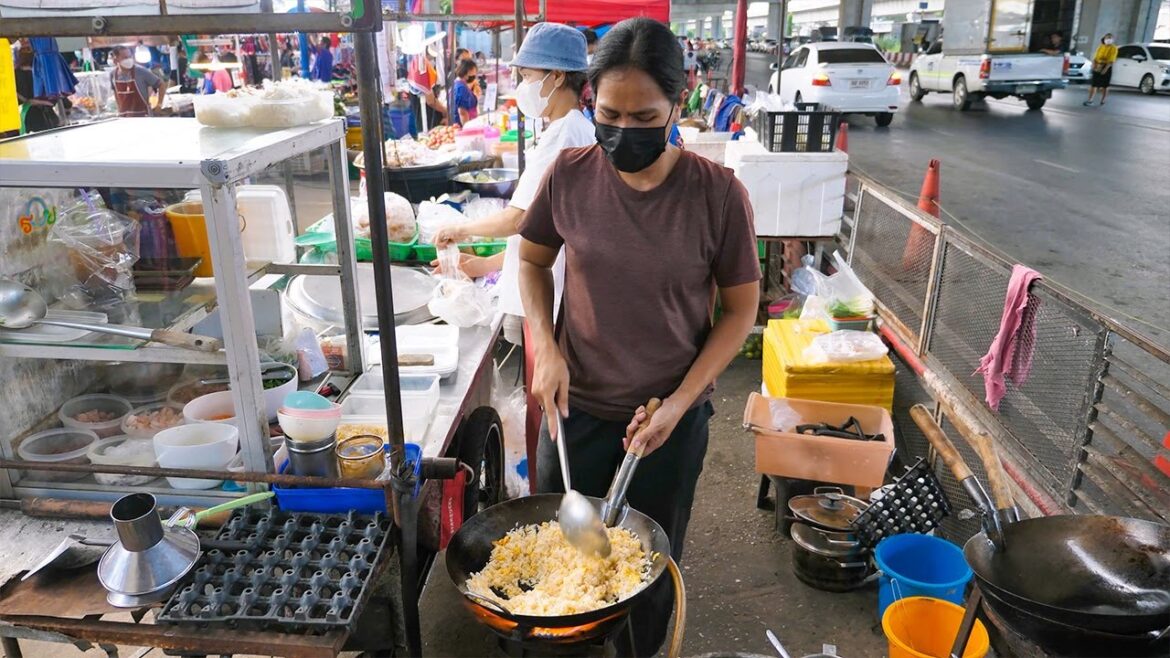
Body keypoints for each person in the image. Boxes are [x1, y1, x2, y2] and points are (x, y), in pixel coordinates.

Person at [518, 17, 760, 657]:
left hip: (667, 422)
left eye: (643, 116)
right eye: (609, 113)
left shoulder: (718, 195)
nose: (622, 132)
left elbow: (739, 310)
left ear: (678, 104)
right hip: (576, 413)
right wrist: (546, 346)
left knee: (647, 580)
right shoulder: (569, 174)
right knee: (565, 570)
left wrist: (679, 404)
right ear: (589, 98)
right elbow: (531, 261)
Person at [433, 23, 595, 484]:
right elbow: (535, 230)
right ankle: (547, 488)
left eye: (528, 75)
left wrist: (458, 229)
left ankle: (545, 496)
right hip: (544, 282)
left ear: (558, 77)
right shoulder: (566, 129)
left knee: (544, 400)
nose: (523, 85)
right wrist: (482, 265)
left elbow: (520, 219)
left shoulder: (567, 135)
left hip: (549, 293)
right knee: (542, 397)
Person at [109, 45, 166, 117]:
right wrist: (119, 109)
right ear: (115, 60)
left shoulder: (141, 71)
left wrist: (159, 104)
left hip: (143, 116)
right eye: (125, 57)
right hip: (125, 117)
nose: (129, 59)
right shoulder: (113, 75)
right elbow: (115, 93)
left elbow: (161, 84)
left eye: (130, 57)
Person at [1084, 33, 1117, 106]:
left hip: (1106, 66)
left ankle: (1103, 100)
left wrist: (1105, 69)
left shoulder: (1114, 48)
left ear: (1112, 39)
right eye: (1107, 38)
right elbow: (1095, 57)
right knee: (1094, 84)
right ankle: (1090, 100)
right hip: (1098, 65)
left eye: (1110, 38)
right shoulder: (1100, 47)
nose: (1108, 39)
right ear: (1104, 39)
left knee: (1105, 85)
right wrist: (1094, 65)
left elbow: (1111, 60)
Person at [450, 59, 479, 126]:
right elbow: (462, 113)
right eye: (473, 73)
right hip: (463, 125)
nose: (474, 76)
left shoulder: (458, 84)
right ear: (465, 73)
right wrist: (467, 128)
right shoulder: (461, 88)